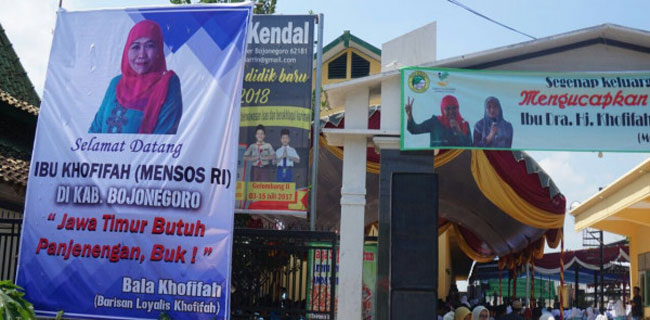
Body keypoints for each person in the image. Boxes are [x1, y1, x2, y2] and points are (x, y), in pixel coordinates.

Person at [90, 20, 182, 134]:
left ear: (158, 51)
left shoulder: (168, 84)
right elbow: (95, 130)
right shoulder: (116, 83)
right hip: (101, 151)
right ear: (126, 51)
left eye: (150, 46)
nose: (142, 54)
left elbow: (163, 139)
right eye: (135, 47)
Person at [405, 95, 472, 147]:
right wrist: (410, 116)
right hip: (437, 159)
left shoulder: (464, 124)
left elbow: (470, 145)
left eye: (454, 108)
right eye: (447, 109)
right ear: (442, 109)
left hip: (457, 160)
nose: (451, 111)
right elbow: (414, 130)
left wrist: (459, 131)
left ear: (458, 108)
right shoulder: (435, 122)